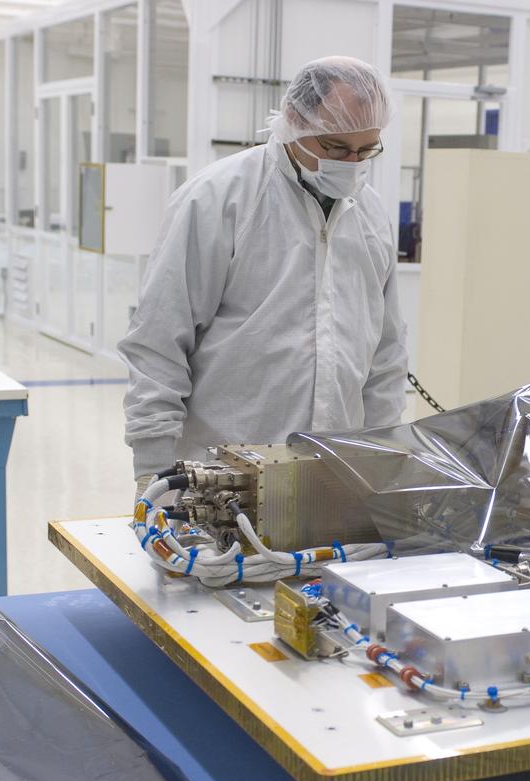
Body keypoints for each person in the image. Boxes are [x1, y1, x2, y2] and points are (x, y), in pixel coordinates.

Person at [120, 56, 408, 494]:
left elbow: (385, 352)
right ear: (295, 119)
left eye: (366, 150)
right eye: (335, 148)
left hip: (332, 476)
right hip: (221, 478)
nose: (351, 163)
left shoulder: (369, 213)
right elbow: (158, 340)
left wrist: (380, 456)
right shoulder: (219, 198)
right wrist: (153, 467)